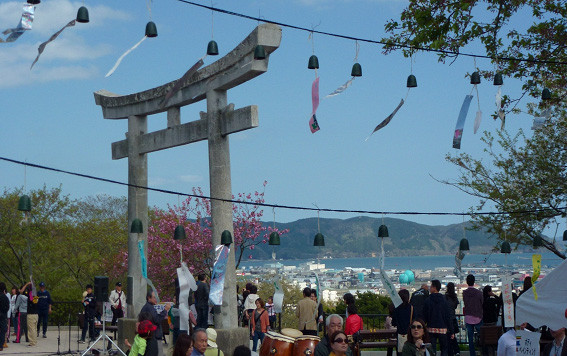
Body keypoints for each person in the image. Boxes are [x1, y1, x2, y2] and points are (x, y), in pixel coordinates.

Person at [423, 280, 452, 356]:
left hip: (431, 328)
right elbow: (448, 316)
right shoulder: (444, 300)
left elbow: (424, 315)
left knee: (432, 350)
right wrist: (451, 330)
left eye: (431, 286)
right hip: (442, 329)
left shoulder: (427, 300)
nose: (429, 288)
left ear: (434, 288)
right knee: (444, 349)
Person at [139, 290, 171, 356]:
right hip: (154, 337)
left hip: (152, 336)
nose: (156, 299)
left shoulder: (148, 307)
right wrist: (165, 310)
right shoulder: (149, 307)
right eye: (154, 297)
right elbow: (157, 319)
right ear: (149, 298)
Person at [462, 275, 483, 356]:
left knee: (470, 339)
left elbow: (465, 303)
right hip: (478, 316)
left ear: (467, 282)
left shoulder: (464, 293)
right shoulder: (479, 293)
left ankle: (472, 354)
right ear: (474, 282)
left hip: (468, 317)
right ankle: (482, 352)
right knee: (482, 337)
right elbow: (482, 303)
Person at [393, 289, 413, 354]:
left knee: (400, 352)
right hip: (410, 334)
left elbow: (394, 323)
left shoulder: (397, 308)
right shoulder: (411, 308)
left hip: (400, 334)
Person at [444, 283, 460, 356]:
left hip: (446, 319)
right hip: (453, 319)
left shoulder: (445, 297)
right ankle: (456, 351)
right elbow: (455, 306)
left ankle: (452, 352)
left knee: (448, 337)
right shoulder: (455, 297)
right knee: (452, 336)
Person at [21, 282, 38, 347]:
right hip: (36, 314)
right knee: (34, 329)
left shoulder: (30, 294)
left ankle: (32, 343)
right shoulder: (36, 295)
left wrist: (26, 284)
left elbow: (21, 291)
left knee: (31, 329)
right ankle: (34, 341)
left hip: (31, 314)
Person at [0, 283, 9, 351]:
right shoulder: (5, 297)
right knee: (3, 331)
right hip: (3, 315)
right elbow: (7, 307)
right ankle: (1, 345)